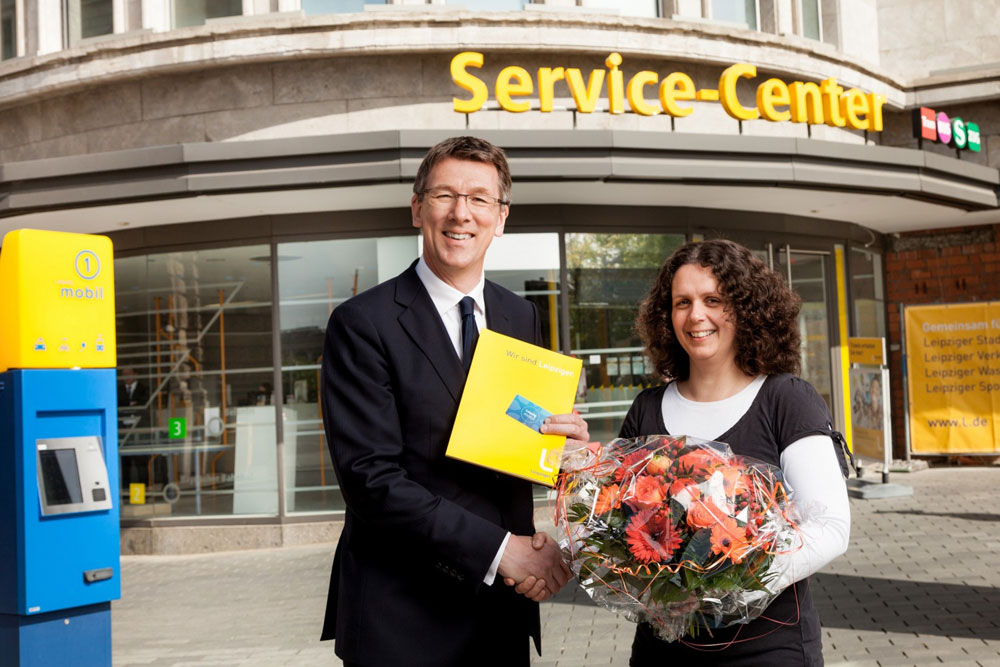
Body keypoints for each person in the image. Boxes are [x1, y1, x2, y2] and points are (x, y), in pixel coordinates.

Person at [319, 136, 590, 667]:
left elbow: (507, 447)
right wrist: (501, 551)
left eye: (479, 199)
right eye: (444, 195)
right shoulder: (362, 323)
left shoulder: (520, 316)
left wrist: (563, 457)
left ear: (501, 216)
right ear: (418, 208)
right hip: (402, 619)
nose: (460, 213)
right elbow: (371, 480)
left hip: (499, 613)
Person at [621, 239, 851, 666]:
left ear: (746, 308)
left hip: (768, 648)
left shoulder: (786, 399)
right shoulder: (646, 409)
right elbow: (621, 526)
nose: (696, 316)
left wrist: (726, 581)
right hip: (663, 650)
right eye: (682, 303)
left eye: (713, 300)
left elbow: (831, 526)